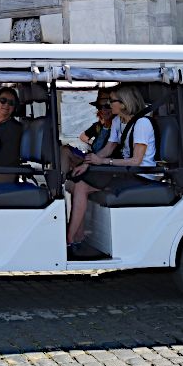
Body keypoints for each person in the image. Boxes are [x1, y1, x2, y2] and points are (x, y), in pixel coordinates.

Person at [65, 84, 157, 250]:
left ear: (123, 103)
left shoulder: (142, 124)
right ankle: (76, 237)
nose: (108, 104)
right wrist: (87, 164)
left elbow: (136, 161)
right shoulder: (118, 121)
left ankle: (70, 239)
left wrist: (103, 163)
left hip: (141, 175)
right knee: (74, 182)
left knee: (81, 186)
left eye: (111, 101)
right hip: (125, 172)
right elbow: (108, 149)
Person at [60, 90, 114, 175]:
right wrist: (92, 143)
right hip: (93, 157)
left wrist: (89, 161)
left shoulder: (116, 125)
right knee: (64, 150)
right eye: (100, 107)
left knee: (65, 152)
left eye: (107, 106)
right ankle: (60, 182)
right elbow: (83, 136)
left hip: (102, 163)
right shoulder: (98, 126)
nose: (103, 110)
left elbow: (107, 150)